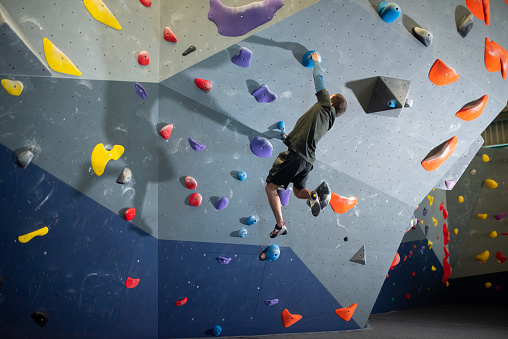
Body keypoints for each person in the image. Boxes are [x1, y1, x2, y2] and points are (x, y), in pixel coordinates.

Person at [265, 51, 347, 238]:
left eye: (329, 96)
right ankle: (312, 196)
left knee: (270, 188)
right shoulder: (328, 121)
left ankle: (280, 224)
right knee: (297, 191)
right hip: (307, 161)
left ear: (332, 102)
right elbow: (306, 131)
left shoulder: (326, 105)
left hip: (297, 156)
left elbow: (319, 79)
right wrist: (287, 138)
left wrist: (317, 61)